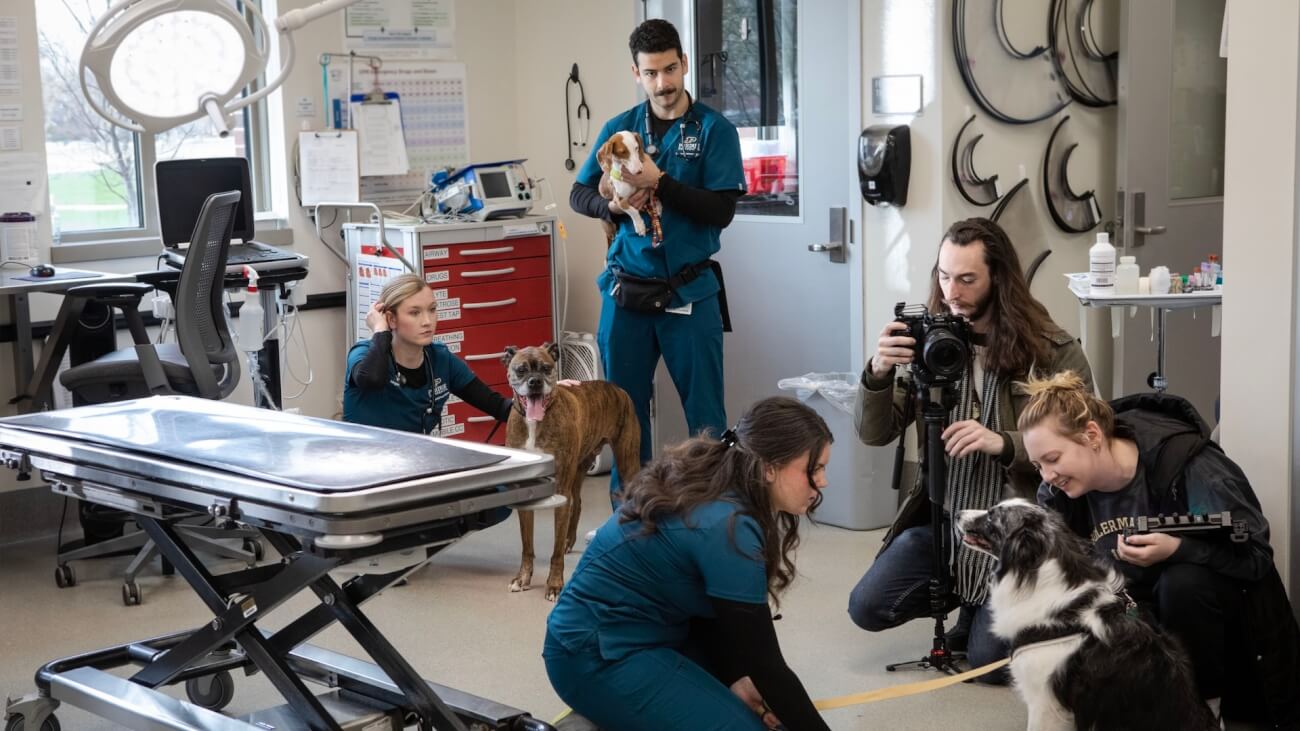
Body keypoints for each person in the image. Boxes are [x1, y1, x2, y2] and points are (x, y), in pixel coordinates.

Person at [846, 217, 1094, 676]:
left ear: (997, 279)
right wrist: (878, 373)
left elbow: (1084, 438)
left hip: (1016, 530)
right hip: (947, 516)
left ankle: (1002, 608)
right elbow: (874, 433)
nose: (952, 291)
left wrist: (1005, 444)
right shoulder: (929, 339)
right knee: (866, 607)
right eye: (943, 276)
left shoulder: (1049, 348)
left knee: (987, 663)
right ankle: (968, 595)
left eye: (966, 279)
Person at [1018, 371, 1300, 727]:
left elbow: (1257, 556)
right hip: (1139, 622)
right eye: (1038, 465)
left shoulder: (1190, 463)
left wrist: (1178, 548)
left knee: (1182, 582)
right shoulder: (1060, 496)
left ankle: (1204, 712)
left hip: (1221, 626)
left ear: (1091, 435)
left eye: (1053, 458)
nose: (1046, 476)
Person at [543, 397, 833, 731]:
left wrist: (735, 677)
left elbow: (719, 620)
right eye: (815, 468)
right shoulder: (727, 526)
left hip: (652, 633)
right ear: (769, 467)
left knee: (765, 708)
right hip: (592, 655)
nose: (822, 481)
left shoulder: (721, 482)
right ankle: (590, 720)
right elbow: (766, 663)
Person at [570, 18, 746, 508]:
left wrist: (659, 181)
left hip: (689, 292)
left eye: (670, 70)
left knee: (707, 418)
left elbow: (722, 211)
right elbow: (578, 193)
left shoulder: (715, 131)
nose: (663, 84)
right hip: (627, 293)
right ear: (636, 73)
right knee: (622, 414)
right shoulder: (619, 129)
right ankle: (629, 515)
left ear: (684, 64)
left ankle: (714, 515)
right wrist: (614, 204)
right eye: (651, 73)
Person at [344, 273, 510, 435]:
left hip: (415, 458)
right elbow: (372, 379)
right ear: (391, 319)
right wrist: (380, 330)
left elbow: (498, 407)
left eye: (432, 310)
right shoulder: (363, 353)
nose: (427, 321)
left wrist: (531, 398)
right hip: (366, 458)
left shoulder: (441, 359)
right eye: (415, 313)